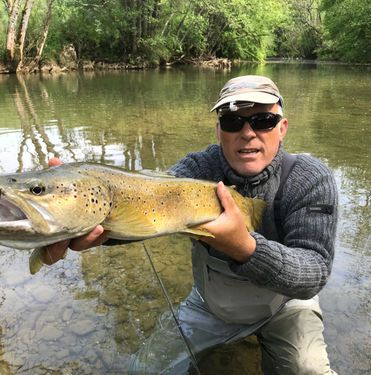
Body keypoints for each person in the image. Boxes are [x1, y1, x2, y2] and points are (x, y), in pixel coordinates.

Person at [44, 75, 338, 374]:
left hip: (286, 307)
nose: (248, 133)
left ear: (282, 128)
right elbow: (147, 208)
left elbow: (314, 272)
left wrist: (245, 248)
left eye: (263, 121)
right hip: (211, 307)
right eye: (233, 122)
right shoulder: (198, 169)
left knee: (309, 370)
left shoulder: (310, 179)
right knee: (143, 370)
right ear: (218, 130)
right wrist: (93, 222)